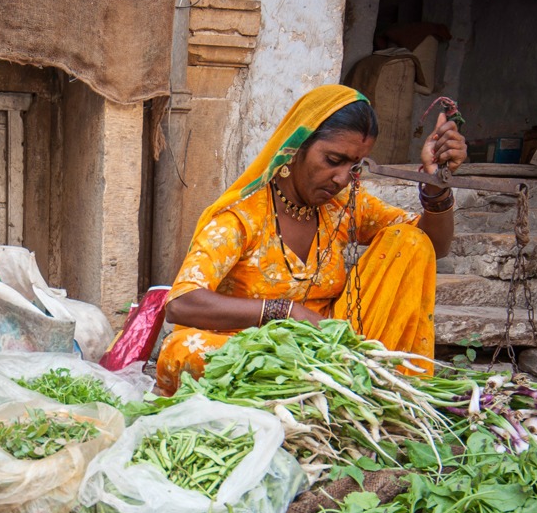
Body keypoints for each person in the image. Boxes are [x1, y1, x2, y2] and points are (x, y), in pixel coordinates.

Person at [156, 84, 466, 395]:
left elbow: (431, 244)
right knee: (183, 349)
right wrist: (284, 312)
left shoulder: (342, 207)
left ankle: (349, 381)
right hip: (253, 348)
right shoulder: (241, 217)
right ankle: (335, 387)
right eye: (333, 160)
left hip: (335, 352)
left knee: (408, 241)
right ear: (297, 147)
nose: (342, 178)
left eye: (355, 167)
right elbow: (182, 304)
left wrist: (436, 184)